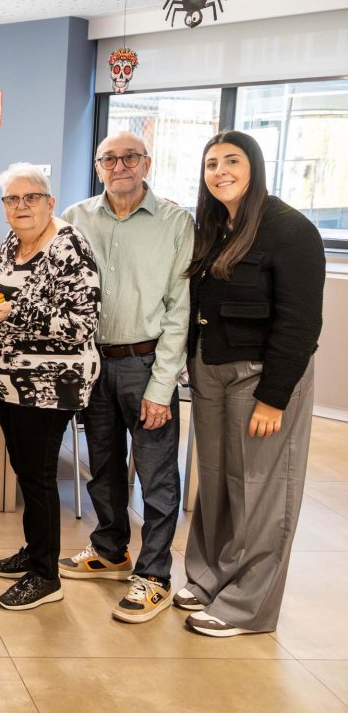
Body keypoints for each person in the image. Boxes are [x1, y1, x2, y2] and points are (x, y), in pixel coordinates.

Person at [178, 130, 324, 637]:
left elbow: (301, 323)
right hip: (212, 372)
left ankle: (248, 608)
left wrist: (274, 398)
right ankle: (208, 576)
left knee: (263, 490)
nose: (220, 171)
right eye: (211, 163)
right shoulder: (216, 226)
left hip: (262, 378)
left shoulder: (290, 229)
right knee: (216, 483)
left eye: (231, 161)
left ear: (255, 165)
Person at [59, 131, 194, 623]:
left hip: (146, 362)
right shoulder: (75, 217)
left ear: (146, 163)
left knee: (156, 478)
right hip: (92, 362)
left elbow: (180, 310)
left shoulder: (177, 222)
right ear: (98, 167)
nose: (120, 166)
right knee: (105, 467)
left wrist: (163, 387)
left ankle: (154, 576)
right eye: (109, 159)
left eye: (130, 157)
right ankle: (110, 550)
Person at [0, 164, 101, 611]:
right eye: (12, 199)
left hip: (49, 385)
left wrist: (10, 315)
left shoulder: (68, 246)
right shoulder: (15, 241)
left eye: (31, 197)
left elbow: (83, 323)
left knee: (40, 476)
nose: (21, 206)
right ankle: (33, 550)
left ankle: (47, 575)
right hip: (9, 383)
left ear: (50, 201)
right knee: (27, 472)